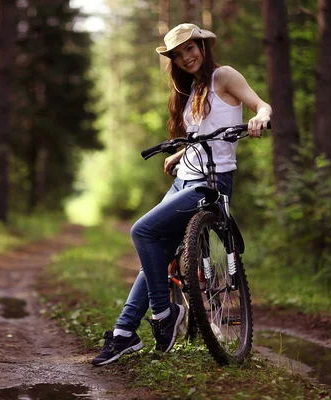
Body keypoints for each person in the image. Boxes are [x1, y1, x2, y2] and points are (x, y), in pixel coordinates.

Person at [91, 23, 272, 366]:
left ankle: (163, 313)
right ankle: (125, 334)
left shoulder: (224, 77)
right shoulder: (192, 89)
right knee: (154, 257)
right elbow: (201, 135)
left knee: (141, 231)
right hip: (184, 180)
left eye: (191, 48)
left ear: (203, 46)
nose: (186, 57)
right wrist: (179, 153)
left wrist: (259, 118)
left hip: (210, 183)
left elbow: (261, 105)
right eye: (178, 54)